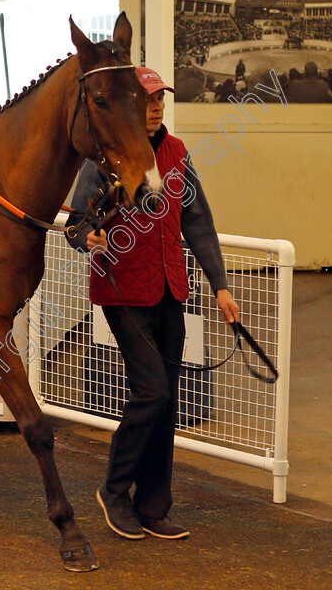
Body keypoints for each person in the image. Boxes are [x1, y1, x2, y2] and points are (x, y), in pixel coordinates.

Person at [66, 67, 240, 541]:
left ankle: (154, 504)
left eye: (161, 99)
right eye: (147, 100)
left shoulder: (178, 154)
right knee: (152, 392)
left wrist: (221, 285)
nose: (157, 107)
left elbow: (198, 223)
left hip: (170, 289)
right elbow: (76, 226)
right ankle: (115, 491)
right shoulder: (106, 155)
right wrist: (91, 236)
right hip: (122, 290)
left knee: (167, 401)